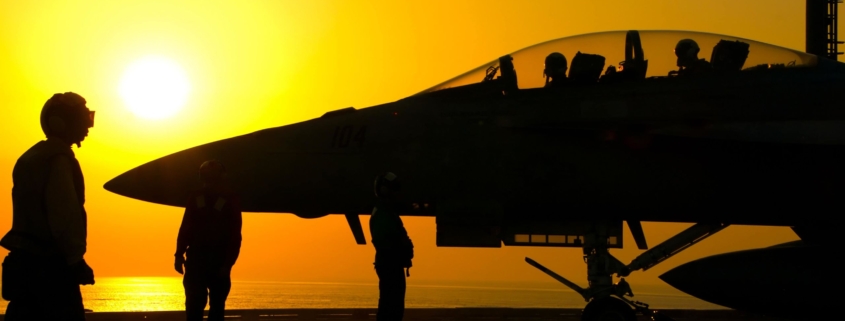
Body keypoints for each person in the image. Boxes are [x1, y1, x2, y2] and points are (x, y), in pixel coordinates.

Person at [1, 92, 96, 320]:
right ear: (61, 122)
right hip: (51, 270)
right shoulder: (59, 159)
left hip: (25, 267)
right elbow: (64, 215)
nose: (88, 126)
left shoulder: (32, 157)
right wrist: (76, 260)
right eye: (82, 120)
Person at [174, 160, 242, 321]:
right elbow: (186, 228)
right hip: (203, 262)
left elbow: (234, 235)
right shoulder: (199, 198)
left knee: (208, 306)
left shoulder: (228, 200)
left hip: (213, 262)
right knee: (200, 306)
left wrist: (227, 265)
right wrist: (178, 255)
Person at [369, 172, 414, 321]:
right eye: (394, 190)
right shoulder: (383, 215)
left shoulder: (386, 212)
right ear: (385, 191)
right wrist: (403, 249)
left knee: (391, 307)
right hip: (390, 266)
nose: (398, 194)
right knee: (391, 309)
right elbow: (385, 244)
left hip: (391, 265)